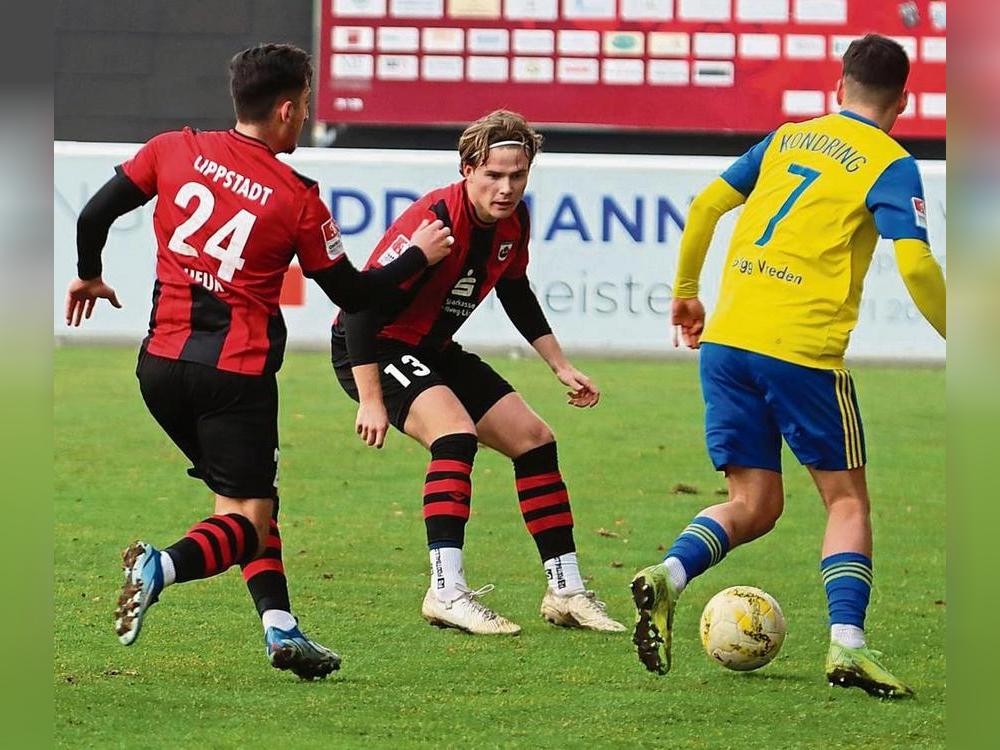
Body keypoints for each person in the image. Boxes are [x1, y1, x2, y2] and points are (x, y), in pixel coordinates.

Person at [64, 43, 452, 679]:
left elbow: (93, 214)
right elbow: (356, 297)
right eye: (303, 107)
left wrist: (88, 275)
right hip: (235, 379)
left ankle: (281, 628)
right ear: (285, 108)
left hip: (159, 369)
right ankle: (159, 566)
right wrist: (418, 256)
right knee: (245, 522)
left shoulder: (172, 149)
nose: (303, 118)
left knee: (250, 502)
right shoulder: (296, 197)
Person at [630, 34, 945, 697]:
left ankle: (669, 576)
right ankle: (849, 647)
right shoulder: (891, 162)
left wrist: (687, 291)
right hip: (800, 351)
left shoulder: (785, 139)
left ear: (839, 88)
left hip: (727, 344)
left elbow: (706, 206)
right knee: (846, 499)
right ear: (903, 100)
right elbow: (915, 261)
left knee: (756, 503)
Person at [331, 110, 625, 635]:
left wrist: (560, 365)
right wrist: (370, 397)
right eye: (494, 175)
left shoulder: (515, 221)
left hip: (433, 347)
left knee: (535, 439)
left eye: (518, 175)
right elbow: (359, 309)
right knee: (454, 435)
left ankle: (565, 590)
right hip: (373, 349)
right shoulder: (435, 221)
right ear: (467, 169)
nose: (507, 187)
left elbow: (515, 290)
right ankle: (446, 591)